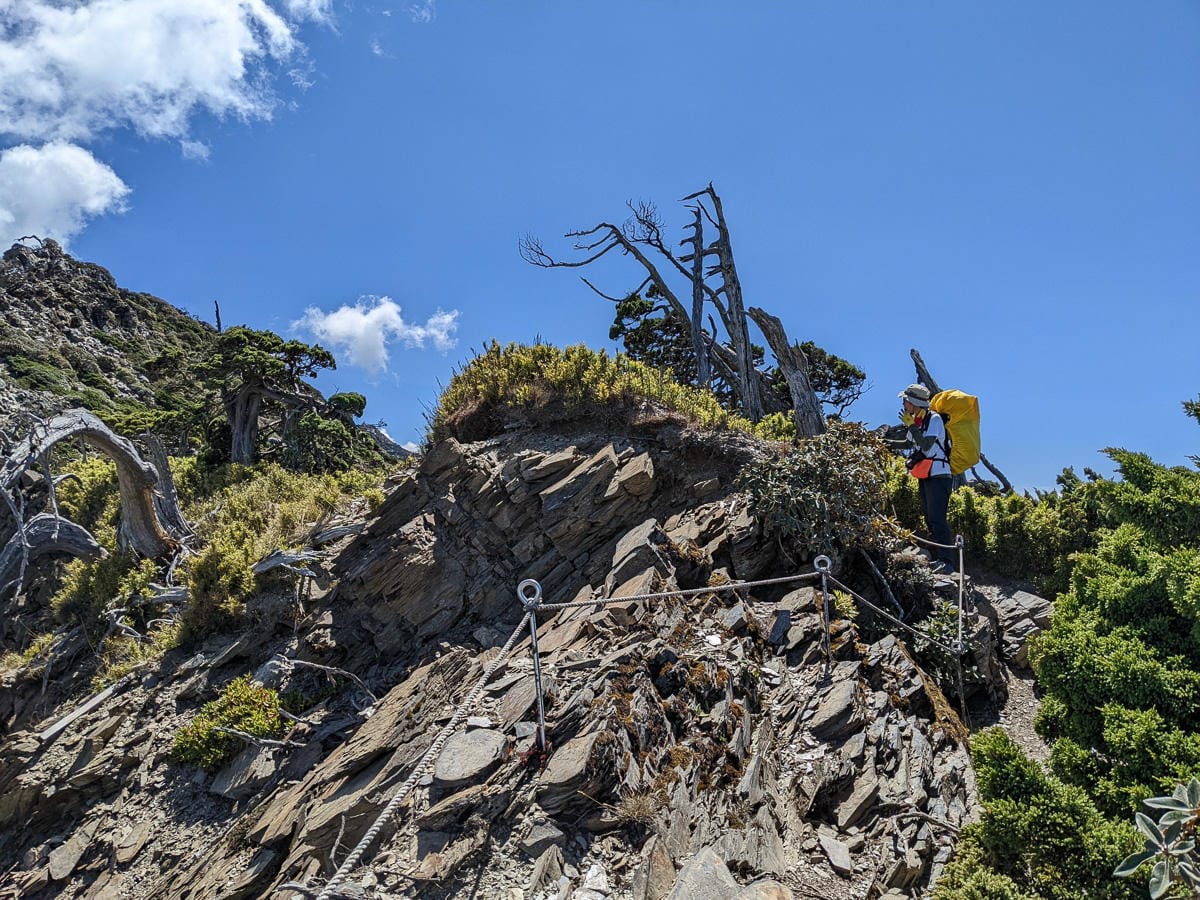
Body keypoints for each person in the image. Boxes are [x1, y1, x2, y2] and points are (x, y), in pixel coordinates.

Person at [898, 383, 956, 571]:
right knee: (930, 517)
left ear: (914, 402)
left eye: (906, 401)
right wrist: (881, 442)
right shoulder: (917, 421)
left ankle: (947, 561)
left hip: (939, 475)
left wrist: (910, 425)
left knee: (937, 517)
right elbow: (908, 443)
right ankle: (940, 558)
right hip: (926, 474)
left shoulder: (934, 420)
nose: (904, 404)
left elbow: (925, 445)